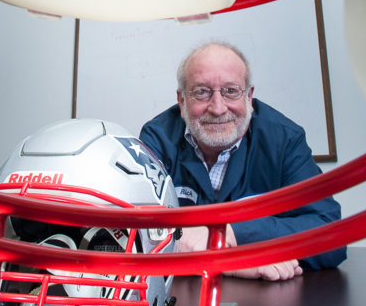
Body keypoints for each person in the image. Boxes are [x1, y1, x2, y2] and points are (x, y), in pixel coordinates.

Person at [139, 40, 346, 280]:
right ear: (182, 101)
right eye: (202, 92)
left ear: (249, 96)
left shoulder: (283, 140)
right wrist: (236, 263)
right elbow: (133, 235)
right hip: (178, 302)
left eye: (231, 91)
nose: (217, 108)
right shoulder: (158, 139)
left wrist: (231, 234)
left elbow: (332, 237)